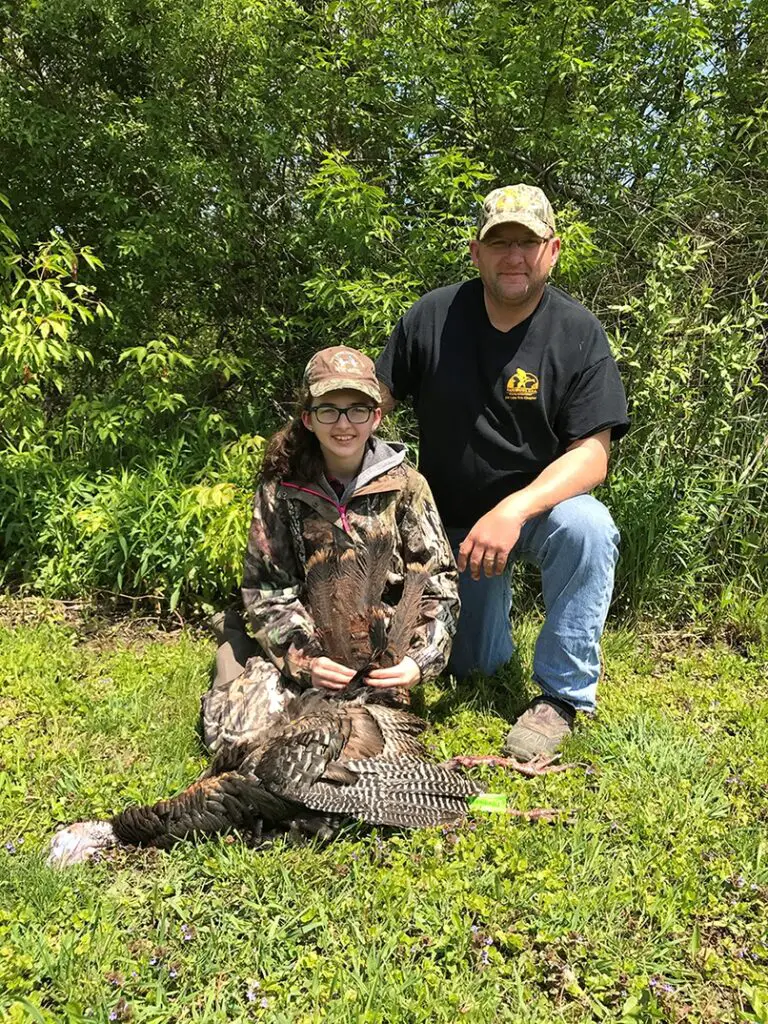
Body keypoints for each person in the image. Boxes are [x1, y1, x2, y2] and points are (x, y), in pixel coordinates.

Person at [376, 183, 630, 761]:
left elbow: (593, 454)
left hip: (532, 516)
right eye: (499, 243)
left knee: (588, 527)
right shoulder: (432, 316)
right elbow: (376, 402)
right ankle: (486, 641)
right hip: (447, 531)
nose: (513, 256)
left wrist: (513, 510)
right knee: (473, 669)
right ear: (476, 252)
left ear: (553, 250)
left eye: (528, 242)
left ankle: (561, 698)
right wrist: (316, 433)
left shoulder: (578, 332)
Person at [204, 345, 459, 754]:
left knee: (363, 751)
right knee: (240, 742)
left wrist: (418, 661)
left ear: (376, 417)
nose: (344, 423)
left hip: (379, 657)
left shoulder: (407, 486)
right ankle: (235, 654)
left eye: (357, 409)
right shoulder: (279, 489)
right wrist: (306, 661)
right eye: (329, 409)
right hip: (312, 646)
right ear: (308, 418)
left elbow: (438, 581)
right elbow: (266, 589)